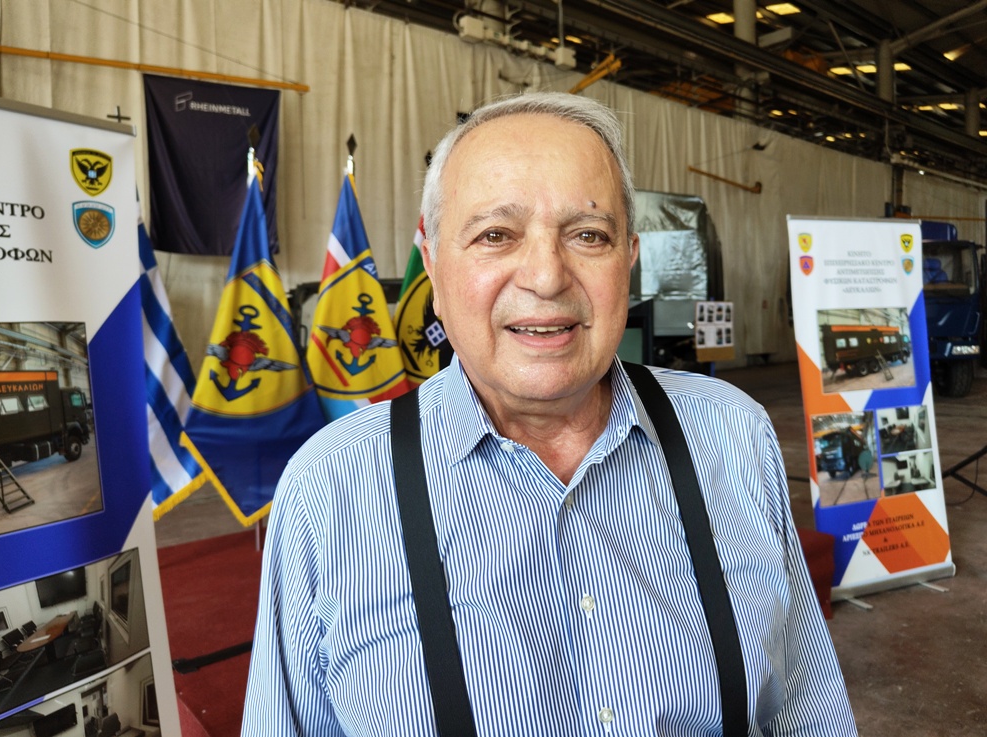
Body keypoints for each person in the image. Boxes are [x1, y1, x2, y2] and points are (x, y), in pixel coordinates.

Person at [242, 92, 857, 736]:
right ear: (434, 269)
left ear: (628, 261)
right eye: (496, 235)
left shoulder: (732, 435)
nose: (546, 276)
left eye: (588, 235)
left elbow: (808, 711)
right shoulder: (331, 486)